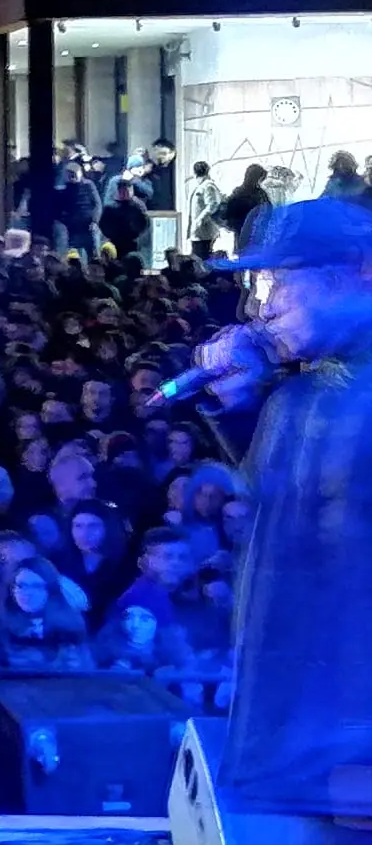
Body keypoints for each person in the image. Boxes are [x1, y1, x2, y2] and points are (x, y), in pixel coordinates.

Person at [196, 199, 372, 819]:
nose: (261, 306)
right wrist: (241, 404)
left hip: (348, 752)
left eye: (280, 280)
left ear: (362, 270)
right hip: (290, 746)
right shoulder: (298, 396)